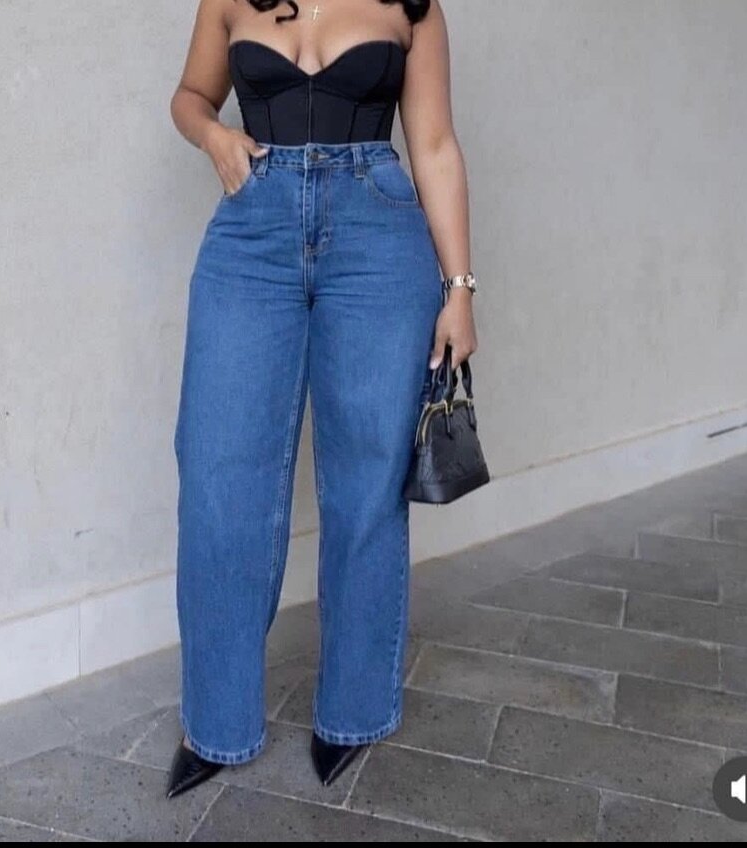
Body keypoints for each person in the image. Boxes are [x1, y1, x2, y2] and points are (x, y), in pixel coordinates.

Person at [166, 0, 478, 799]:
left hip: (378, 238)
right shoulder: (227, 0)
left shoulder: (413, 9)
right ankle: (216, 721)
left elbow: (434, 146)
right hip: (253, 232)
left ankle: (355, 711)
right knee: (217, 479)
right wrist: (214, 137)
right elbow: (189, 97)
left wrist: (459, 290)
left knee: (367, 485)